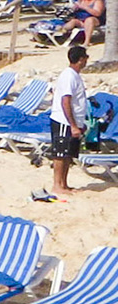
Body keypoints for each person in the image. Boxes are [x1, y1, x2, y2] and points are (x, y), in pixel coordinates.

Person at [50, 44, 89, 196]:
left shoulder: (75, 76)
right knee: (60, 154)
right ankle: (57, 185)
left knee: (67, 154)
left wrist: (79, 124)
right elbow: (65, 101)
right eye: (86, 57)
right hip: (63, 121)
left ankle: (64, 184)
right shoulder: (69, 76)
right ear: (81, 59)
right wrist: (73, 125)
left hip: (73, 122)